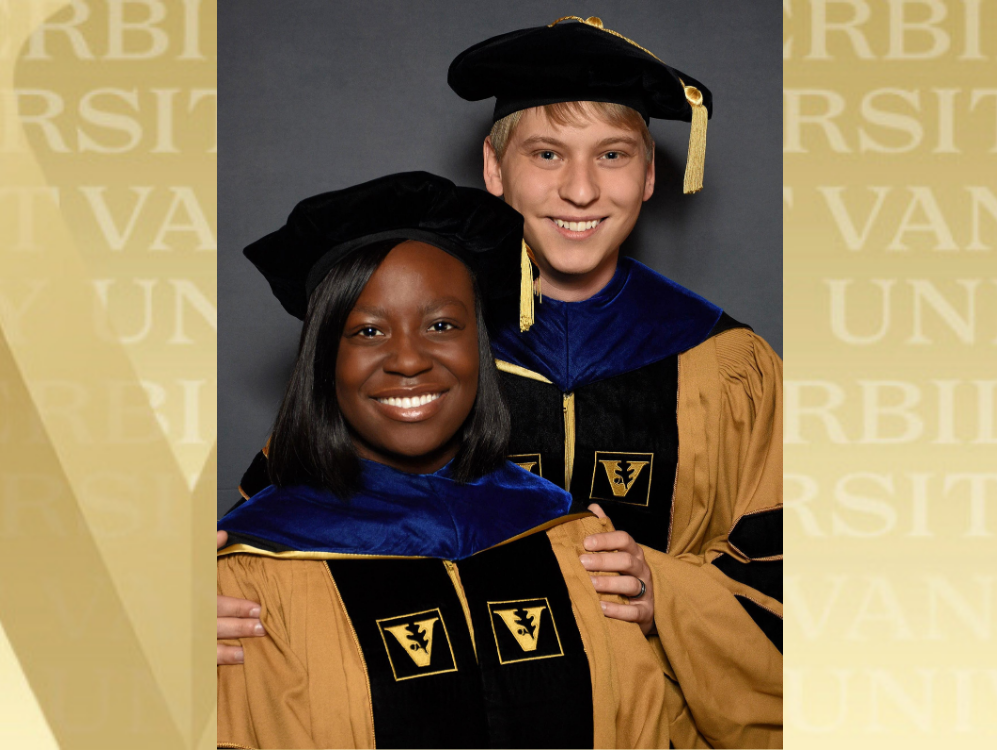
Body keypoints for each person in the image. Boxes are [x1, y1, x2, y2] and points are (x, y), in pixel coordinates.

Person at [223, 16, 782, 748]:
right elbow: (282, 536)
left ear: (650, 174)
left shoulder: (726, 363)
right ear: (494, 171)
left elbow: (800, 582)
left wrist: (667, 598)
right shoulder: (420, 361)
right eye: (546, 154)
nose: (579, 189)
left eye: (612, 155)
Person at [217, 172, 673, 749]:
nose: (408, 360)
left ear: (479, 347)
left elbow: (643, 726)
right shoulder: (250, 576)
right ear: (324, 360)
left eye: (441, 325)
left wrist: (665, 600)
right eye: (368, 331)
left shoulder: (569, 539)